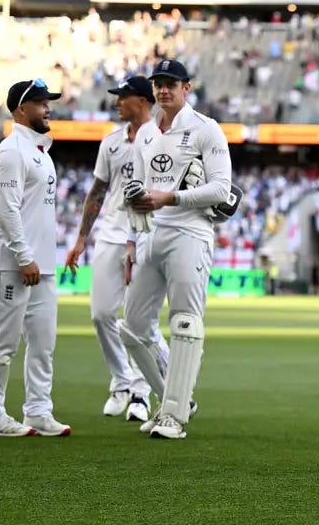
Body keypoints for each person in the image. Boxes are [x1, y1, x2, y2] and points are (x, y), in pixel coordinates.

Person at [120, 59, 233, 439]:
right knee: (133, 327)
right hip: (150, 235)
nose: (164, 90)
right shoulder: (146, 133)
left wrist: (171, 197)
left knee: (184, 322)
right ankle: (174, 398)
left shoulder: (206, 128)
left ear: (187, 88)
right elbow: (139, 190)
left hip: (190, 233)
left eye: (171, 83)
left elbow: (222, 189)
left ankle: (173, 416)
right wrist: (132, 238)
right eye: (158, 84)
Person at [64, 76, 168, 422]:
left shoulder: (161, 139)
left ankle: (140, 391)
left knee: (138, 321)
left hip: (146, 235)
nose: (117, 102)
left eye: (123, 96)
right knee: (101, 314)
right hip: (110, 235)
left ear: (142, 100)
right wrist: (81, 239)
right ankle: (122, 380)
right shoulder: (111, 142)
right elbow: (97, 192)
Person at [0, 79, 71, 437]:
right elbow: (6, 210)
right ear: (21, 109)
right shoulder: (12, 151)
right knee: (2, 345)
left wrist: (38, 260)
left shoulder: (41, 152)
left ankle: (38, 411)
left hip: (41, 265)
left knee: (43, 344)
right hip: (11, 263)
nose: (48, 109)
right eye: (42, 103)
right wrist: (24, 256)